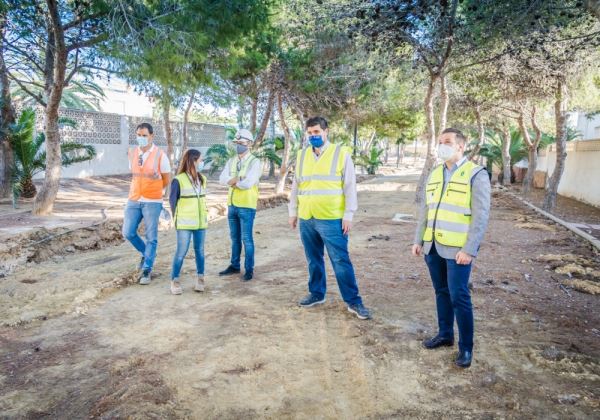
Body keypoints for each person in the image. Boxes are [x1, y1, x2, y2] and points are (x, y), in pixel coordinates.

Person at [412, 127, 491, 368]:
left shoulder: (475, 174)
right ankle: (445, 334)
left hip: (458, 250)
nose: (441, 145)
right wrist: (418, 240)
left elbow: (480, 216)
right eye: (439, 142)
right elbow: (426, 210)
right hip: (433, 246)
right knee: (441, 292)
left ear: (460, 146)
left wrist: (469, 249)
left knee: (460, 296)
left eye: (446, 142)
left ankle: (466, 348)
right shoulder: (435, 173)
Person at [288, 116, 371, 320]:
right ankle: (317, 293)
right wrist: (293, 212)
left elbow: (350, 186)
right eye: (310, 133)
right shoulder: (301, 155)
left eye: (317, 132)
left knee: (341, 261)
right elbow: (296, 186)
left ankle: (353, 301)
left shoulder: (340, 154)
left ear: (326, 132)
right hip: (307, 217)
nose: (313, 136)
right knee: (313, 259)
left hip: (332, 218)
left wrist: (348, 214)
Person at [122, 122, 171, 285]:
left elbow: (166, 179)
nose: (141, 138)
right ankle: (147, 253)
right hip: (134, 198)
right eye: (138, 135)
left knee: (151, 237)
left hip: (152, 200)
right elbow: (135, 174)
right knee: (128, 232)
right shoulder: (132, 153)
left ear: (151, 136)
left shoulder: (160, 155)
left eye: (144, 135)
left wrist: (154, 191)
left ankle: (147, 269)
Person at [218, 129, 261, 281]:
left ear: (249, 144)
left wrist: (233, 181)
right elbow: (221, 179)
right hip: (232, 205)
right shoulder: (232, 161)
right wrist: (237, 179)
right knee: (235, 238)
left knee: (247, 239)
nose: (238, 146)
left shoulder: (255, 162)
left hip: (247, 206)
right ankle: (234, 266)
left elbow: (248, 183)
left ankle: (249, 269)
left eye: (241, 143)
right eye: (236, 143)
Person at [169, 149, 208, 295]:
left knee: (200, 252)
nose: (202, 163)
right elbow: (173, 203)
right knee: (181, 253)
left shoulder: (203, 179)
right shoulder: (178, 180)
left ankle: (200, 278)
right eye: (201, 160)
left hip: (200, 223)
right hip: (184, 224)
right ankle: (175, 280)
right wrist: (177, 220)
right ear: (193, 161)